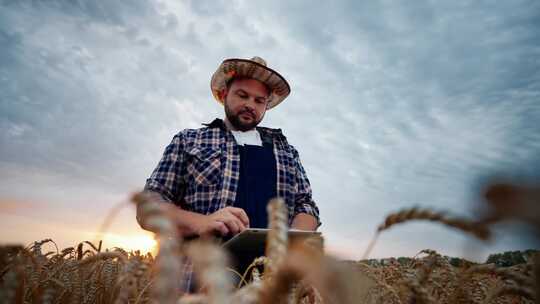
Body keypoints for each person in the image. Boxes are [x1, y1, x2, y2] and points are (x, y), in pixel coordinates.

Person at [138, 56, 321, 291]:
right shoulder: (189, 140)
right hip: (199, 282)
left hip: (273, 287)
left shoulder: (287, 152)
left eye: (259, 100)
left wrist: (292, 239)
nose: (250, 105)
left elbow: (306, 206)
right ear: (224, 94)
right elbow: (147, 207)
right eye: (242, 95)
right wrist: (202, 222)